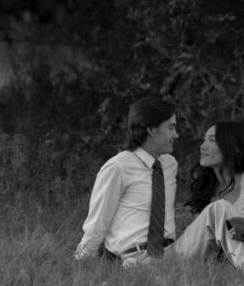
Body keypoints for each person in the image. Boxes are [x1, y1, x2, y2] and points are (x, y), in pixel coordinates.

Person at [74, 97, 178, 264]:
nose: (176, 134)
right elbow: (98, 224)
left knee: (216, 211)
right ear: (152, 129)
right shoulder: (118, 167)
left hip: (173, 254)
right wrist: (81, 264)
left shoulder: (170, 165)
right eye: (171, 128)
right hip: (135, 259)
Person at [173, 121, 244, 269]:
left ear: (235, 148)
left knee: (220, 208)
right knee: (219, 207)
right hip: (182, 256)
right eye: (204, 140)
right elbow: (200, 243)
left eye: (212, 140)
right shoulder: (206, 190)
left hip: (223, 265)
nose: (203, 146)